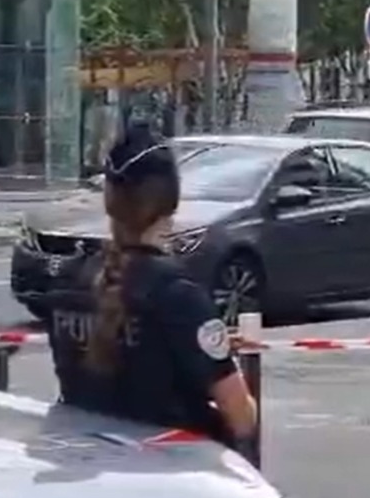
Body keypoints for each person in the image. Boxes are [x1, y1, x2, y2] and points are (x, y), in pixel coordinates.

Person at [44, 125, 259, 456]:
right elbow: (241, 418)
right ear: (169, 202)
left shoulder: (69, 279)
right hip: (166, 484)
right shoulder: (179, 296)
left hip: (86, 472)